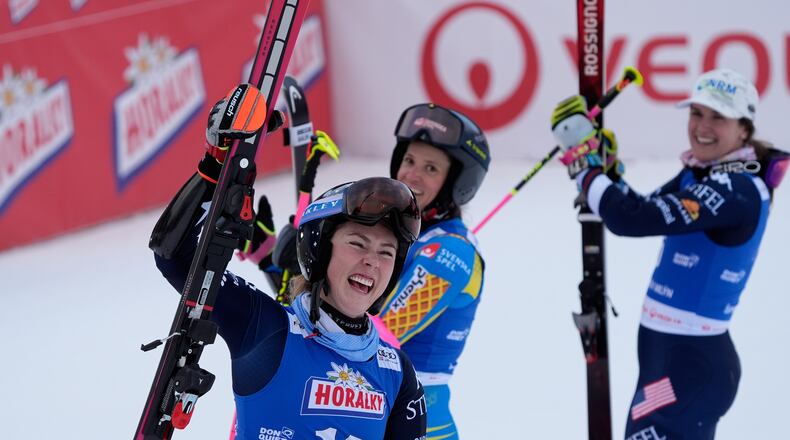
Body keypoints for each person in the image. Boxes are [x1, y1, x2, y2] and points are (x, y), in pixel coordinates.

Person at [149, 84, 427, 440]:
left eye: (386, 253)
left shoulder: (398, 372)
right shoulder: (268, 328)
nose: (372, 262)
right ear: (320, 251)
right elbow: (175, 257)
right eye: (357, 243)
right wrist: (216, 165)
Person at [550, 68, 789, 439]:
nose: (702, 126)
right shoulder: (703, 173)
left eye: (717, 117)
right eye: (696, 112)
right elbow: (643, 207)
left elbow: (631, 219)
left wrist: (584, 163)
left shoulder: (737, 189)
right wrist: (605, 171)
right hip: (671, 361)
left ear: (744, 128)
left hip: (689, 367)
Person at [373, 103, 491, 440]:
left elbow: (380, 335)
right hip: (373, 411)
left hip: (418, 421)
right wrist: (274, 258)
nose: (412, 175)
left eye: (430, 168)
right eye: (409, 161)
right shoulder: (398, 235)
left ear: (456, 183)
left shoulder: (450, 252)